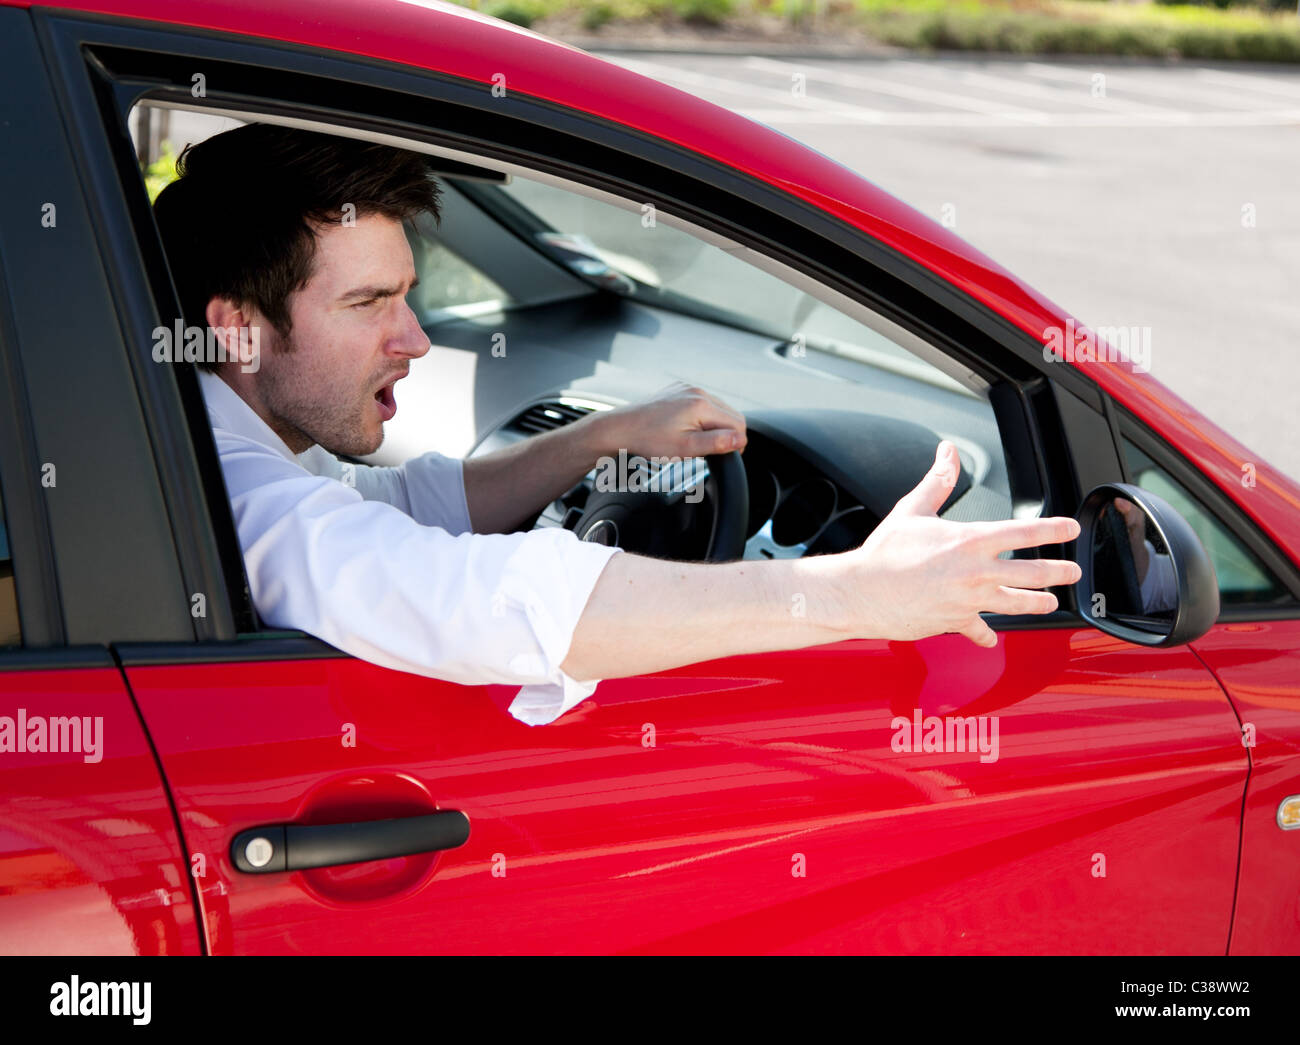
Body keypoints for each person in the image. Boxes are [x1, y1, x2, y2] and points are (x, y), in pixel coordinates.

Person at [153, 124, 1082, 725]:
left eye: (410, 294)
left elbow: (401, 500)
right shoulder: (230, 499)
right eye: (368, 304)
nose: (418, 338)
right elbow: (497, 597)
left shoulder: (214, 427)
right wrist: (853, 593)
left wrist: (600, 438)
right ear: (240, 323)